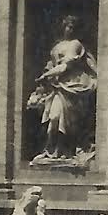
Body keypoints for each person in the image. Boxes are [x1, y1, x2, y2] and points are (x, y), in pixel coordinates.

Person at [26, 16, 97, 161]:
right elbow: (52, 64)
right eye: (67, 26)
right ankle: (52, 152)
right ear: (63, 27)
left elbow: (65, 66)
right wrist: (47, 74)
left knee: (65, 122)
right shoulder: (57, 46)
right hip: (57, 88)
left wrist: (46, 75)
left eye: (72, 27)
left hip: (72, 87)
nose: (69, 29)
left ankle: (65, 153)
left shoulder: (75, 45)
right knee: (54, 119)